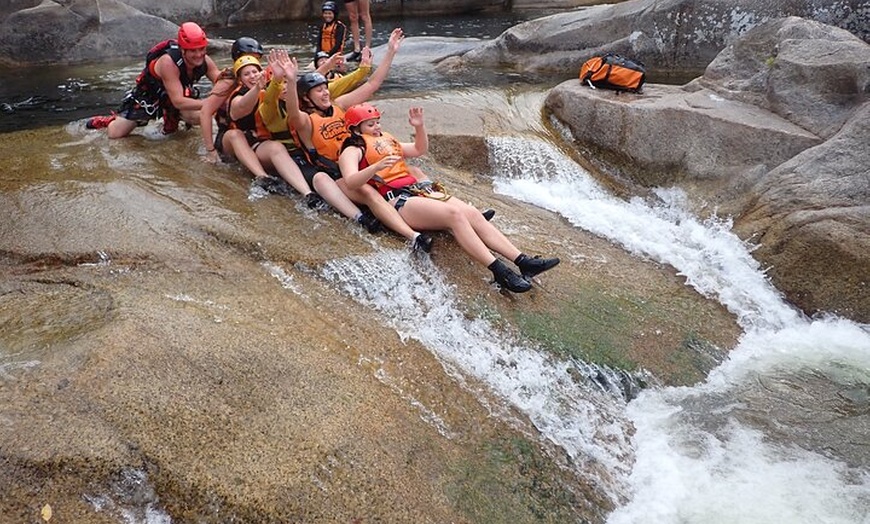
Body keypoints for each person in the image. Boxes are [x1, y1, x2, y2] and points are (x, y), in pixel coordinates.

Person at [338, 103, 560, 293]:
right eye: (370, 124)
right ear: (356, 129)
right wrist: (375, 167)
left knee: (472, 213)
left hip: (417, 190)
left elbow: (418, 149)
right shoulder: (352, 149)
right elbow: (350, 181)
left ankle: (523, 261)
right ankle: (499, 271)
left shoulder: (387, 139)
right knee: (455, 215)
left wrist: (419, 127)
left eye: (377, 121)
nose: (377, 127)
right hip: (397, 200)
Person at [283, 28, 433, 252]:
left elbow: (372, 85)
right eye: (318, 91)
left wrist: (390, 52)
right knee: (361, 190)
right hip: (339, 173)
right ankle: (398, 231)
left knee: (412, 170)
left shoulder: (340, 105)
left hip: (362, 163)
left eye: (325, 88)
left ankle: (443, 204)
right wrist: (290, 80)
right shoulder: (306, 120)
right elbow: (293, 112)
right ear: (307, 97)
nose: (325, 93)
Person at [257, 49, 381, 231]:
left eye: (286, 83)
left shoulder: (319, 100)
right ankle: (357, 216)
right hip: (289, 152)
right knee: (319, 177)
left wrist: (362, 69)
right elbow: (286, 104)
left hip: (315, 152)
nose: (284, 87)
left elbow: (322, 86)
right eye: (278, 84)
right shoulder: (270, 107)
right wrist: (282, 80)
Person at [87, 22, 221, 139]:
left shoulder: (205, 61)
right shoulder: (168, 62)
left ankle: (172, 117)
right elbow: (178, 101)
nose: (198, 55)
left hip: (177, 94)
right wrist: (211, 103)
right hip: (151, 96)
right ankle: (111, 120)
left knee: (200, 116)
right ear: (182, 49)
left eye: (201, 49)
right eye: (192, 51)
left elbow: (220, 80)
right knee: (115, 133)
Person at [227, 54, 323, 206]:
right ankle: (262, 177)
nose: (252, 76)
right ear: (240, 80)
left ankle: (308, 195)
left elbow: (309, 84)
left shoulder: (278, 92)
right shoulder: (243, 96)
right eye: (246, 74)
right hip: (238, 140)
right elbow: (241, 108)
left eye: (255, 72)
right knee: (235, 135)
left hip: (265, 141)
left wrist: (325, 67)